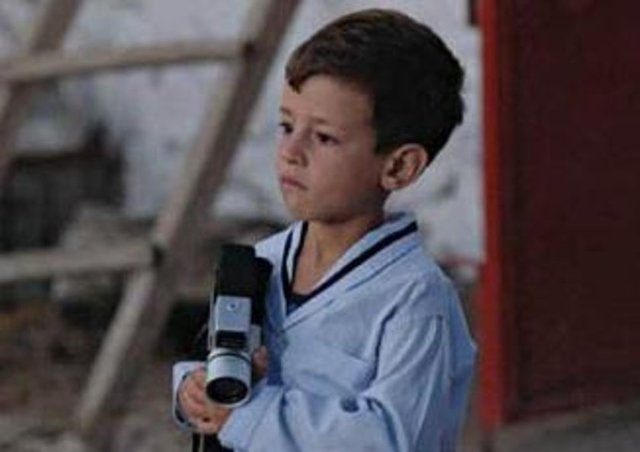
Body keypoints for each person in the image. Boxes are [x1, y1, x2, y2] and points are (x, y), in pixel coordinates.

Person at [173, 8, 476, 452]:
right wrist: (194, 389)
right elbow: (214, 355)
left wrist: (249, 416)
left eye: (324, 137)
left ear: (398, 166)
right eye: (287, 126)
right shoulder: (260, 263)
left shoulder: (415, 301)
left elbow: (392, 440)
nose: (291, 151)